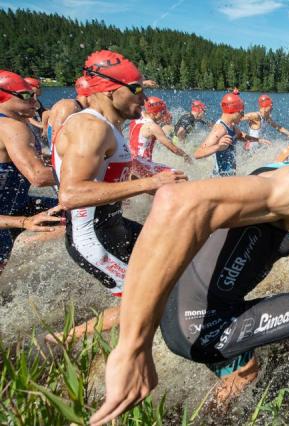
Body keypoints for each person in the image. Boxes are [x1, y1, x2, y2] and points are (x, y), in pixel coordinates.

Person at [89, 118, 289, 425]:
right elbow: (176, 200)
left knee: (247, 372)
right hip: (203, 324)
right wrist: (133, 347)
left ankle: (203, 419)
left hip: (182, 309)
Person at [48, 50, 187, 342]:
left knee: (177, 264)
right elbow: (71, 194)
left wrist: (155, 184)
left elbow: (107, 175)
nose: (145, 98)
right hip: (93, 239)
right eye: (136, 89)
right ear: (111, 91)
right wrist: (150, 183)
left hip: (116, 226)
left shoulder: (110, 126)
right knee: (146, 302)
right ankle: (67, 340)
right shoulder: (90, 128)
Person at [0, 70, 58, 273]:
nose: (34, 100)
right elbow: (39, 176)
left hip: (18, 205)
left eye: (34, 94)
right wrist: (91, 174)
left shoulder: (14, 124)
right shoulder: (10, 126)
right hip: (7, 217)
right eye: (26, 95)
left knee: (72, 212)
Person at [194, 92, 262, 177]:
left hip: (229, 177)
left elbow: (240, 136)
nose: (243, 116)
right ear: (234, 111)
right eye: (242, 113)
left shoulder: (232, 126)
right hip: (219, 179)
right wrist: (218, 146)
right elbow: (197, 153)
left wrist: (258, 140)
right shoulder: (220, 129)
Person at [129, 96, 192, 178]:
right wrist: (185, 155)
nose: (164, 115)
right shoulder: (153, 127)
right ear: (154, 113)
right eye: (162, 112)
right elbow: (173, 148)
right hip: (143, 164)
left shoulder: (136, 118)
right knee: (180, 175)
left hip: (131, 162)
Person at [43, 76, 91, 146]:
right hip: (60, 152)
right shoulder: (69, 106)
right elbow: (56, 136)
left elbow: (46, 113)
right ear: (91, 95)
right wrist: (44, 129)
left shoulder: (77, 107)